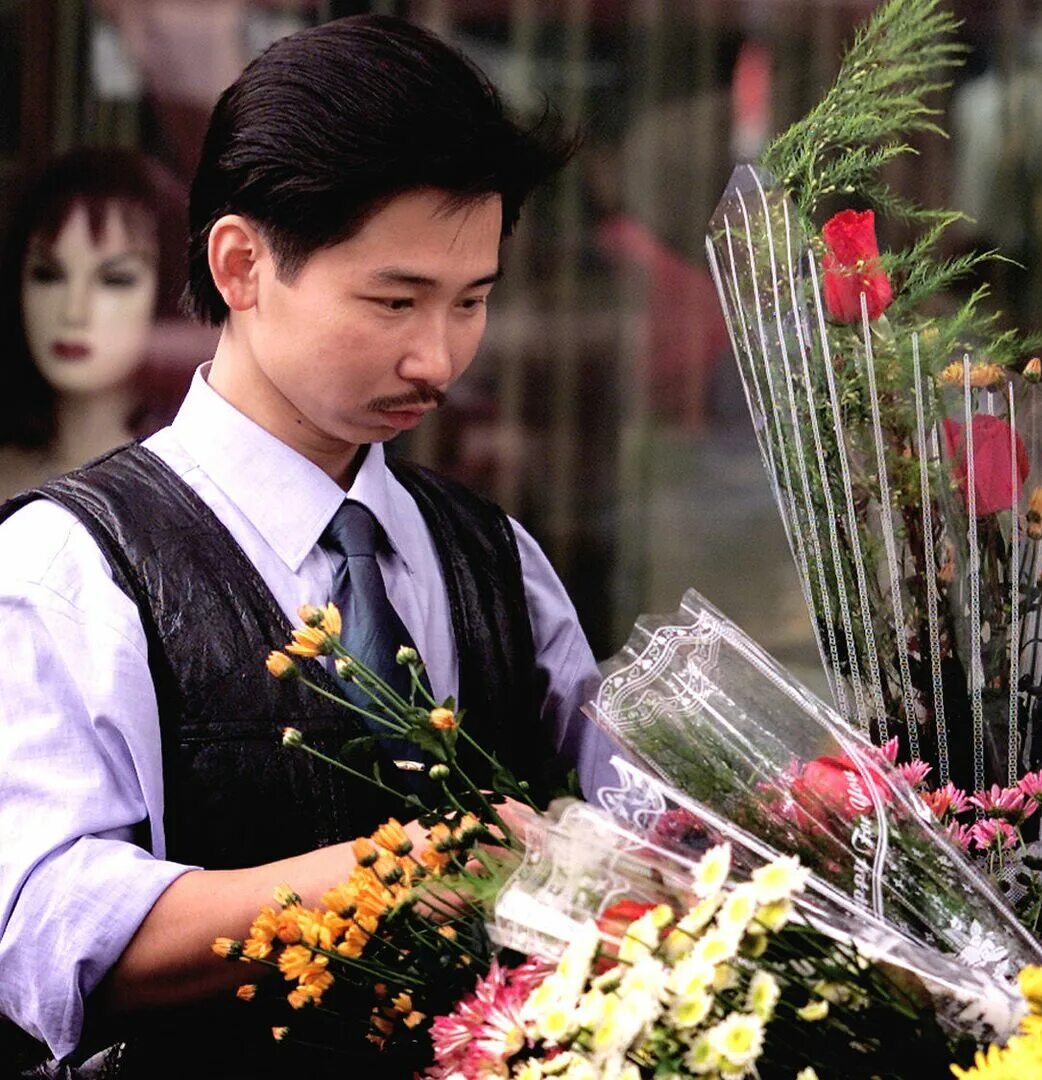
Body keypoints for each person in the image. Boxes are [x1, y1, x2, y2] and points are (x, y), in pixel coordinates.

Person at [0, 15, 622, 1074]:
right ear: (242, 264)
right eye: (394, 300)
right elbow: (47, 930)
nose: (439, 357)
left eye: (472, 302)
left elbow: (627, 819)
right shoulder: (72, 565)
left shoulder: (490, 554)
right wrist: (386, 878)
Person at [0, 148, 190, 497]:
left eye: (115, 280)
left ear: (168, 296)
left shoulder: (186, 489)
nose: (74, 312)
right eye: (47, 275)